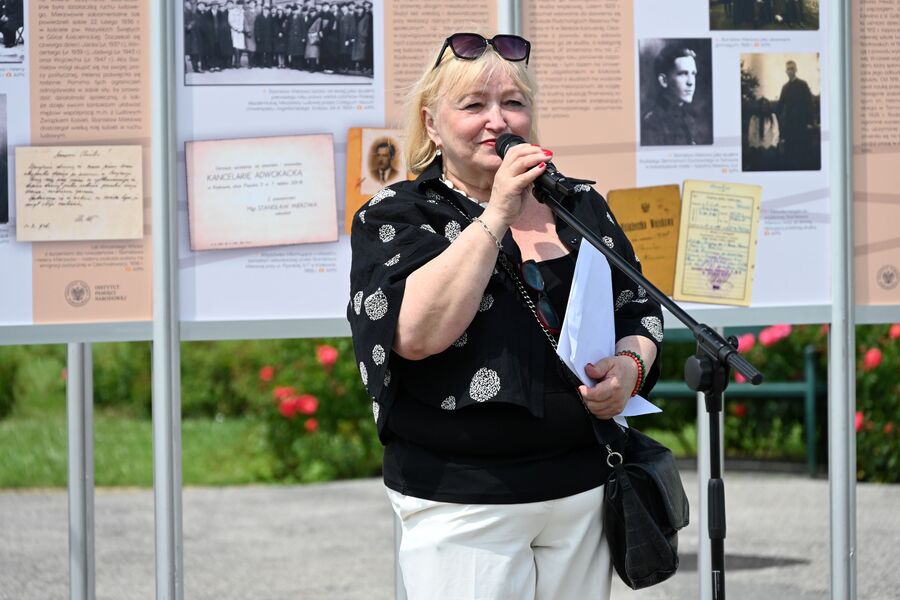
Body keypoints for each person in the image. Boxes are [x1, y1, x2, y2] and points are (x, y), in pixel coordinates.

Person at [348, 32, 663, 600]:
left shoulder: (580, 205)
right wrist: (497, 211)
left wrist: (629, 369)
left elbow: (639, 309)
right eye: (473, 106)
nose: (499, 120)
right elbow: (418, 335)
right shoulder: (398, 214)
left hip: (582, 491)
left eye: (513, 103)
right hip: (465, 502)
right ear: (433, 123)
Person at [641, 44, 704, 146]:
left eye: (693, 74)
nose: (690, 82)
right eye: (683, 73)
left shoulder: (689, 121)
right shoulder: (652, 124)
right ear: (664, 81)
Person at [777, 59, 816, 169]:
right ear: (786, 72)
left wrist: (809, 121)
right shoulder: (785, 87)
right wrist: (774, 118)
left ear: (796, 70)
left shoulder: (803, 85)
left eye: (792, 69)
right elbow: (780, 106)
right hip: (789, 124)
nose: (790, 71)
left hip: (802, 123)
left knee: (803, 151)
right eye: (788, 69)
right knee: (791, 151)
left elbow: (809, 104)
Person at [746, 97, 780, 171]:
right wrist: (757, 146)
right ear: (759, 106)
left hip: (770, 148)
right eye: (762, 104)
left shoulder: (773, 116)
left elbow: (776, 132)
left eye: (766, 105)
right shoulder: (754, 118)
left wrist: (772, 146)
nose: (764, 106)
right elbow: (751, 134)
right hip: (757, 147)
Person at [226, 0, 246, 68]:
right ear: (236, 5)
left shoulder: (243, 11)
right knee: (236, 47)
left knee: (241, 47)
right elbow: (230, 21)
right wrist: (236, 28)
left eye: (241, 5)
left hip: (242, 32)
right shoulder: (232, 12)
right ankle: (236, 63)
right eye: (238, 5)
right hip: (235, 31)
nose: (240, 6)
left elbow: (244, 21)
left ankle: (239, 62)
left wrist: (243, 29)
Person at [242, 0, 259, 68]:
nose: (252, 4)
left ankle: (255, 62)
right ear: (249, 5)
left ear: (255, 4)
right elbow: (245, 22)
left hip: (257, 31)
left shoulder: (258, 12)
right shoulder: (246, 13)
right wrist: (247, 31)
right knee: (249, 48)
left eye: (253, 3)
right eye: (250, 3)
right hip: (249, 32)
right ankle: (250, 63)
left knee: (256, 47)